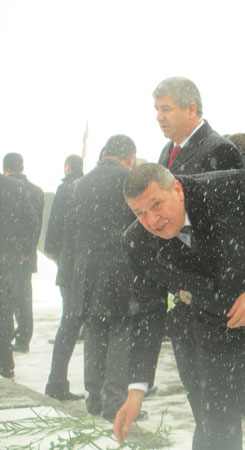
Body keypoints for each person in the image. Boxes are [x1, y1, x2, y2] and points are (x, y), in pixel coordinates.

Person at [113, 163, 245, 450]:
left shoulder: (233, 189)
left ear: (177, 190)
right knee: (217, 424)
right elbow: (147, 310)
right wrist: (136, 390)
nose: (152, 220)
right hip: (217, 327)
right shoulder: (137, 242)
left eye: (156, 204)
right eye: (140, 213)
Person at [152, 76, 244, 441]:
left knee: (220, 408)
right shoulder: (167, 153)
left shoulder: (218, 150)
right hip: (184, 301)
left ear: (192, 108)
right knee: (201, 404)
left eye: (166, 109)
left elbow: (232, 230)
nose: (159, 117)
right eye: (156, 110)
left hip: (212, 301)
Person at [62, 135, 137, 421]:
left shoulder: (79, 184)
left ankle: (94, 397)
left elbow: (71, 232)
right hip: (119, 267)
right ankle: (114, 402)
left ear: (106, 152)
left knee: (94, 330)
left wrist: (69, 274)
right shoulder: (129, 180)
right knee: (120, 330)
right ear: (129, 156)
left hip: (86, 270)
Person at [44, 154, 85, 401]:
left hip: (70, 267)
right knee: (78, 325)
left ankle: (56, 381)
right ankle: (59, 382)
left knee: (69, 324)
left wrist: (55, 251)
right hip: (85, 266)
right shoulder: (89, 188)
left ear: (67, 168)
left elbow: (54, 224)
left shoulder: (66, 189)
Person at [3, 152, 44, 353]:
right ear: (22, 167)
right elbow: (36, 224)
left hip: (6, 253)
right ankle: (24, 338)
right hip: (25, 255)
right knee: (24, 297)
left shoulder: (5, 189)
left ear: (5, 168)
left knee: (5, 298)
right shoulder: (36, 191)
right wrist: (28, 249)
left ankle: (6, 338)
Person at [0, 174, 39, 378]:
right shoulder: (16, 187)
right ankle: (6, 363)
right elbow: (32, 221)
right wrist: (24, 249)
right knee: (4, 311)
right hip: (7, 258)